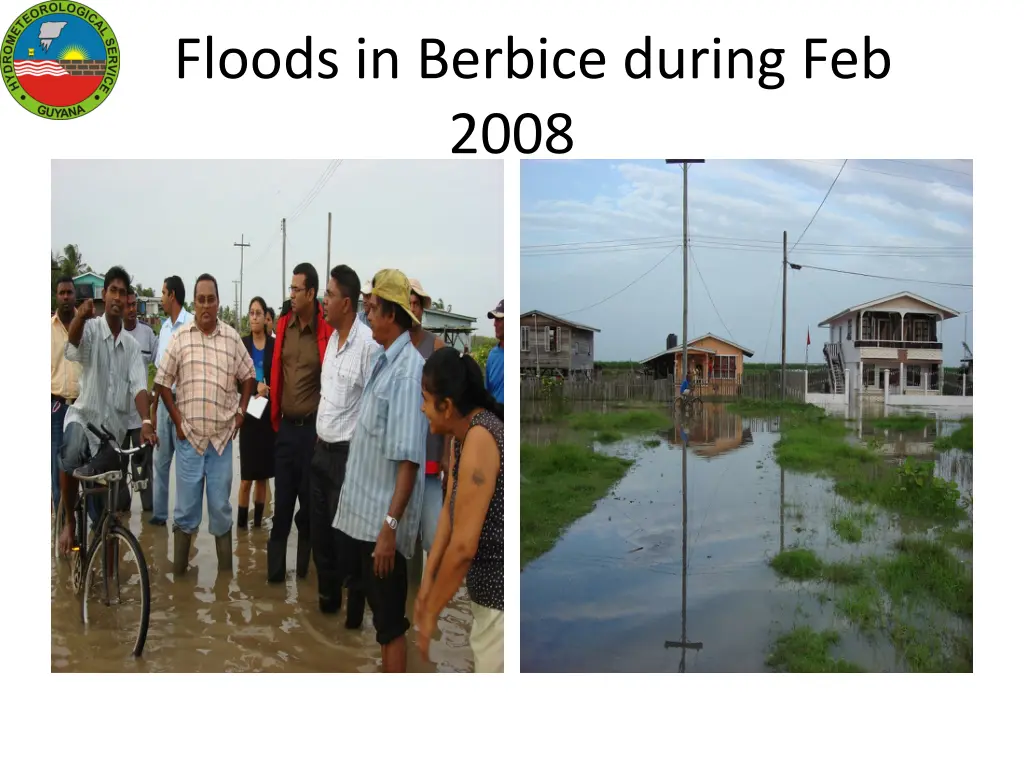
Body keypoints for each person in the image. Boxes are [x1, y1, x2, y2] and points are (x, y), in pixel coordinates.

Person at [333, 269, 428, 673]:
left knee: (390, 626)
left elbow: (408, 461)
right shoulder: (384, 360)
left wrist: (389, 529)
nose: (367, 314)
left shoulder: (407, 372)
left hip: (380, 530)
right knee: (379, 621)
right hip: (365, 519)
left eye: (372, 308)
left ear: (392, 314)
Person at [153, 274, 256, 574]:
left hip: (221, 443)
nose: (207, 305)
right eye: (201, 299)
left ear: (218, 302)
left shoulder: (231, 338)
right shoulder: (180, 337)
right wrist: (177, 422)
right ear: (194, 303)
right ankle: (181, 581)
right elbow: (162, 382)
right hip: (190, 442)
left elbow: (249, 375)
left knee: (221, 511)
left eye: (211, 299)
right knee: (185, 514)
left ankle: (225, 579)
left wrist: (241, 412)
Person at [414, 348, 504, 673]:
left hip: (499, 608)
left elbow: (464, 547)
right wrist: (427, 585)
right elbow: (448, 516)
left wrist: (431, 613)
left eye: (425, 399)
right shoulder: (460, 436)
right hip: (485, 605)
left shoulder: (481, 438)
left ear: (447, 406)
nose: (422, 408)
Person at [57, 267, 156, 555]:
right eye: (112, 290)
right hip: (83, 419)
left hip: (111, 435)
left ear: (127, 301)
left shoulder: (133, 347)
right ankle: (67, 522)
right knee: (71, 452)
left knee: (108, 515)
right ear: (104, 295)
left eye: (122, 292)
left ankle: (109, 584)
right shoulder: (90, 328)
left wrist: (147, 421)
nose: (117, 296)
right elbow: (72, 347)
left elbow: (139, 388)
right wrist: (79, 316)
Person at [310, 264, 377, 621]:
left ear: (347, 303)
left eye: (330, 295)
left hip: (348, 458)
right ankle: (326, 609)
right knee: (321, 537)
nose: (325, 300)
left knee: (348, 542)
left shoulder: (367, 346)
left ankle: (352, 623)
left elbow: (371, 408)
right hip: (321, 451)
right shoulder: (332, 341)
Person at [267, 263, 332, 583]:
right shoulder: (283, 326)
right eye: (290, 289)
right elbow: (276, 373)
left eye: (296, 289)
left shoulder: (326, 332)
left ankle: (305, 576)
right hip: (286, 431)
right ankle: (275, 582)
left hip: (314, 436)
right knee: (280, 512)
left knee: (309, 512)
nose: (290, 294)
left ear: (311, 293)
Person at [408, 278, 447, 569]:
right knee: (403, 541)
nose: (412, 308)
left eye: (416, 304)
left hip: (431, 455)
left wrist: (447, 453)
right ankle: (408, 605)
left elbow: (449, 407)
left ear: (422, 309)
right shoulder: (391, 347)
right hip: (402, 456)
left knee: (433, 539)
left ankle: (428, 606)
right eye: (406, 303)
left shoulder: (436, 347)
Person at [149, 275, 192, 526]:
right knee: (160, 461)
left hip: (184, 404)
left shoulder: (192, 325)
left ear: (172, 295)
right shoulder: (163, 330)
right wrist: (153, 410)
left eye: (163, 293)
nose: (162, 298)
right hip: (164, 404)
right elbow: (158, 375)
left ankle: (184, 520)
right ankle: (159, 516)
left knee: (186, 464)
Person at [238, 297, 276, 530]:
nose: (254, 317)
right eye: (251, 313)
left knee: (263, 476)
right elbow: (236, 380)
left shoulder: (275, 345)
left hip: (268, 417)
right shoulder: (242, 345)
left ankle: (259, 524)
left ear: (265, 318)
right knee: (246, 479)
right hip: (249, 417)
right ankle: (241, 527)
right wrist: (254, 388)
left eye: (258, 313)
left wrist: (268, 389)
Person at [122, 286, 157, 513]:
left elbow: (161, 365)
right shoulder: (112, 333)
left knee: (144, 476)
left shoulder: (147, 334)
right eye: (128, 305)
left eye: (134, 305)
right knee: (116, 478)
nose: (132, 309)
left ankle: (150, 528)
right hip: (116, 422)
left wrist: (153, 394)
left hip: (141, 422)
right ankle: (121, 522)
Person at [52, 275, 82, 517]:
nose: (65, 297)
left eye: (69, 293)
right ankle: (63, 527)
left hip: (83, 408)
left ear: (75, 296)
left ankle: (91, 537)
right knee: (56, 470)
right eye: (61, 292)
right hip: (55, 408)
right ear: (56, 295)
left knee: (86, 471)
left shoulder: (86, 328)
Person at [485, 299, 504, 404]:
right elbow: (487, 392)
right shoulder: (493, 355)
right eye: (494, 319)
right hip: (495, 418)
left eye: (499, 319)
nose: (494, 324)